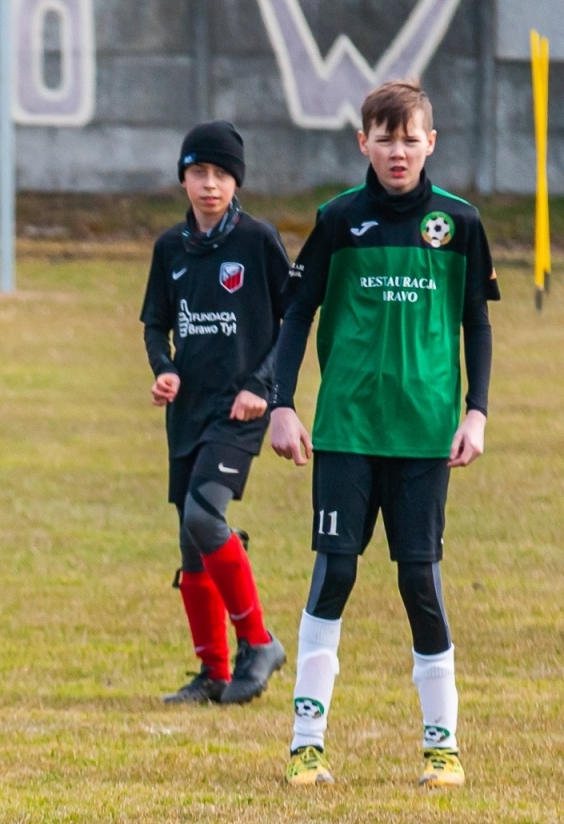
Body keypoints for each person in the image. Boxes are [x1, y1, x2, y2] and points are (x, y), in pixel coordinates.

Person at [268, 79, 498, 788]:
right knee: (334, 571)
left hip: (426, 434)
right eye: (384, 137)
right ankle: (307, 744)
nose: (397, 151)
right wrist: (282, 403)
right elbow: (297, 315)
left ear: (431, 142)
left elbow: (477, 325)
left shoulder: (459, 224)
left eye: (410, 138)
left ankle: (442, 746)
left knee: (419, 583)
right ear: (362, 142)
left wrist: (476, 411)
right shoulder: (338, 220)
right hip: (345, 428)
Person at [140, 120, 289, 704]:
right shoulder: (170, 249)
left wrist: (264, 385)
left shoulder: (257, 241)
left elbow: (293, 320)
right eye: (199, 172)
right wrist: (163, 367)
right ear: (183, 178)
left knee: (206, 519)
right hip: (189, 410)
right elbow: (156, 322)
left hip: (239, 409)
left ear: (236, 182)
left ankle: (260, 642)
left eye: (221, 175)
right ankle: (213, 672)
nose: (209, 184)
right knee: (189, 539)